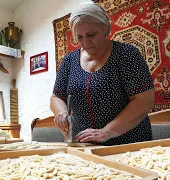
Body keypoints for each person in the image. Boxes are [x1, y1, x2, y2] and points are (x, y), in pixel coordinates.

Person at [50, 2, 154, 146]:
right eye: (79, 37)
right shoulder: (69, 60)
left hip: (128, 142)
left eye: (91, 34)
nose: (85, 42)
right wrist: (61, 113)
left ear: (105, 27)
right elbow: (56, 97)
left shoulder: (127, 55)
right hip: (85, 143)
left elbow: (144, 101)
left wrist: (107, 132)